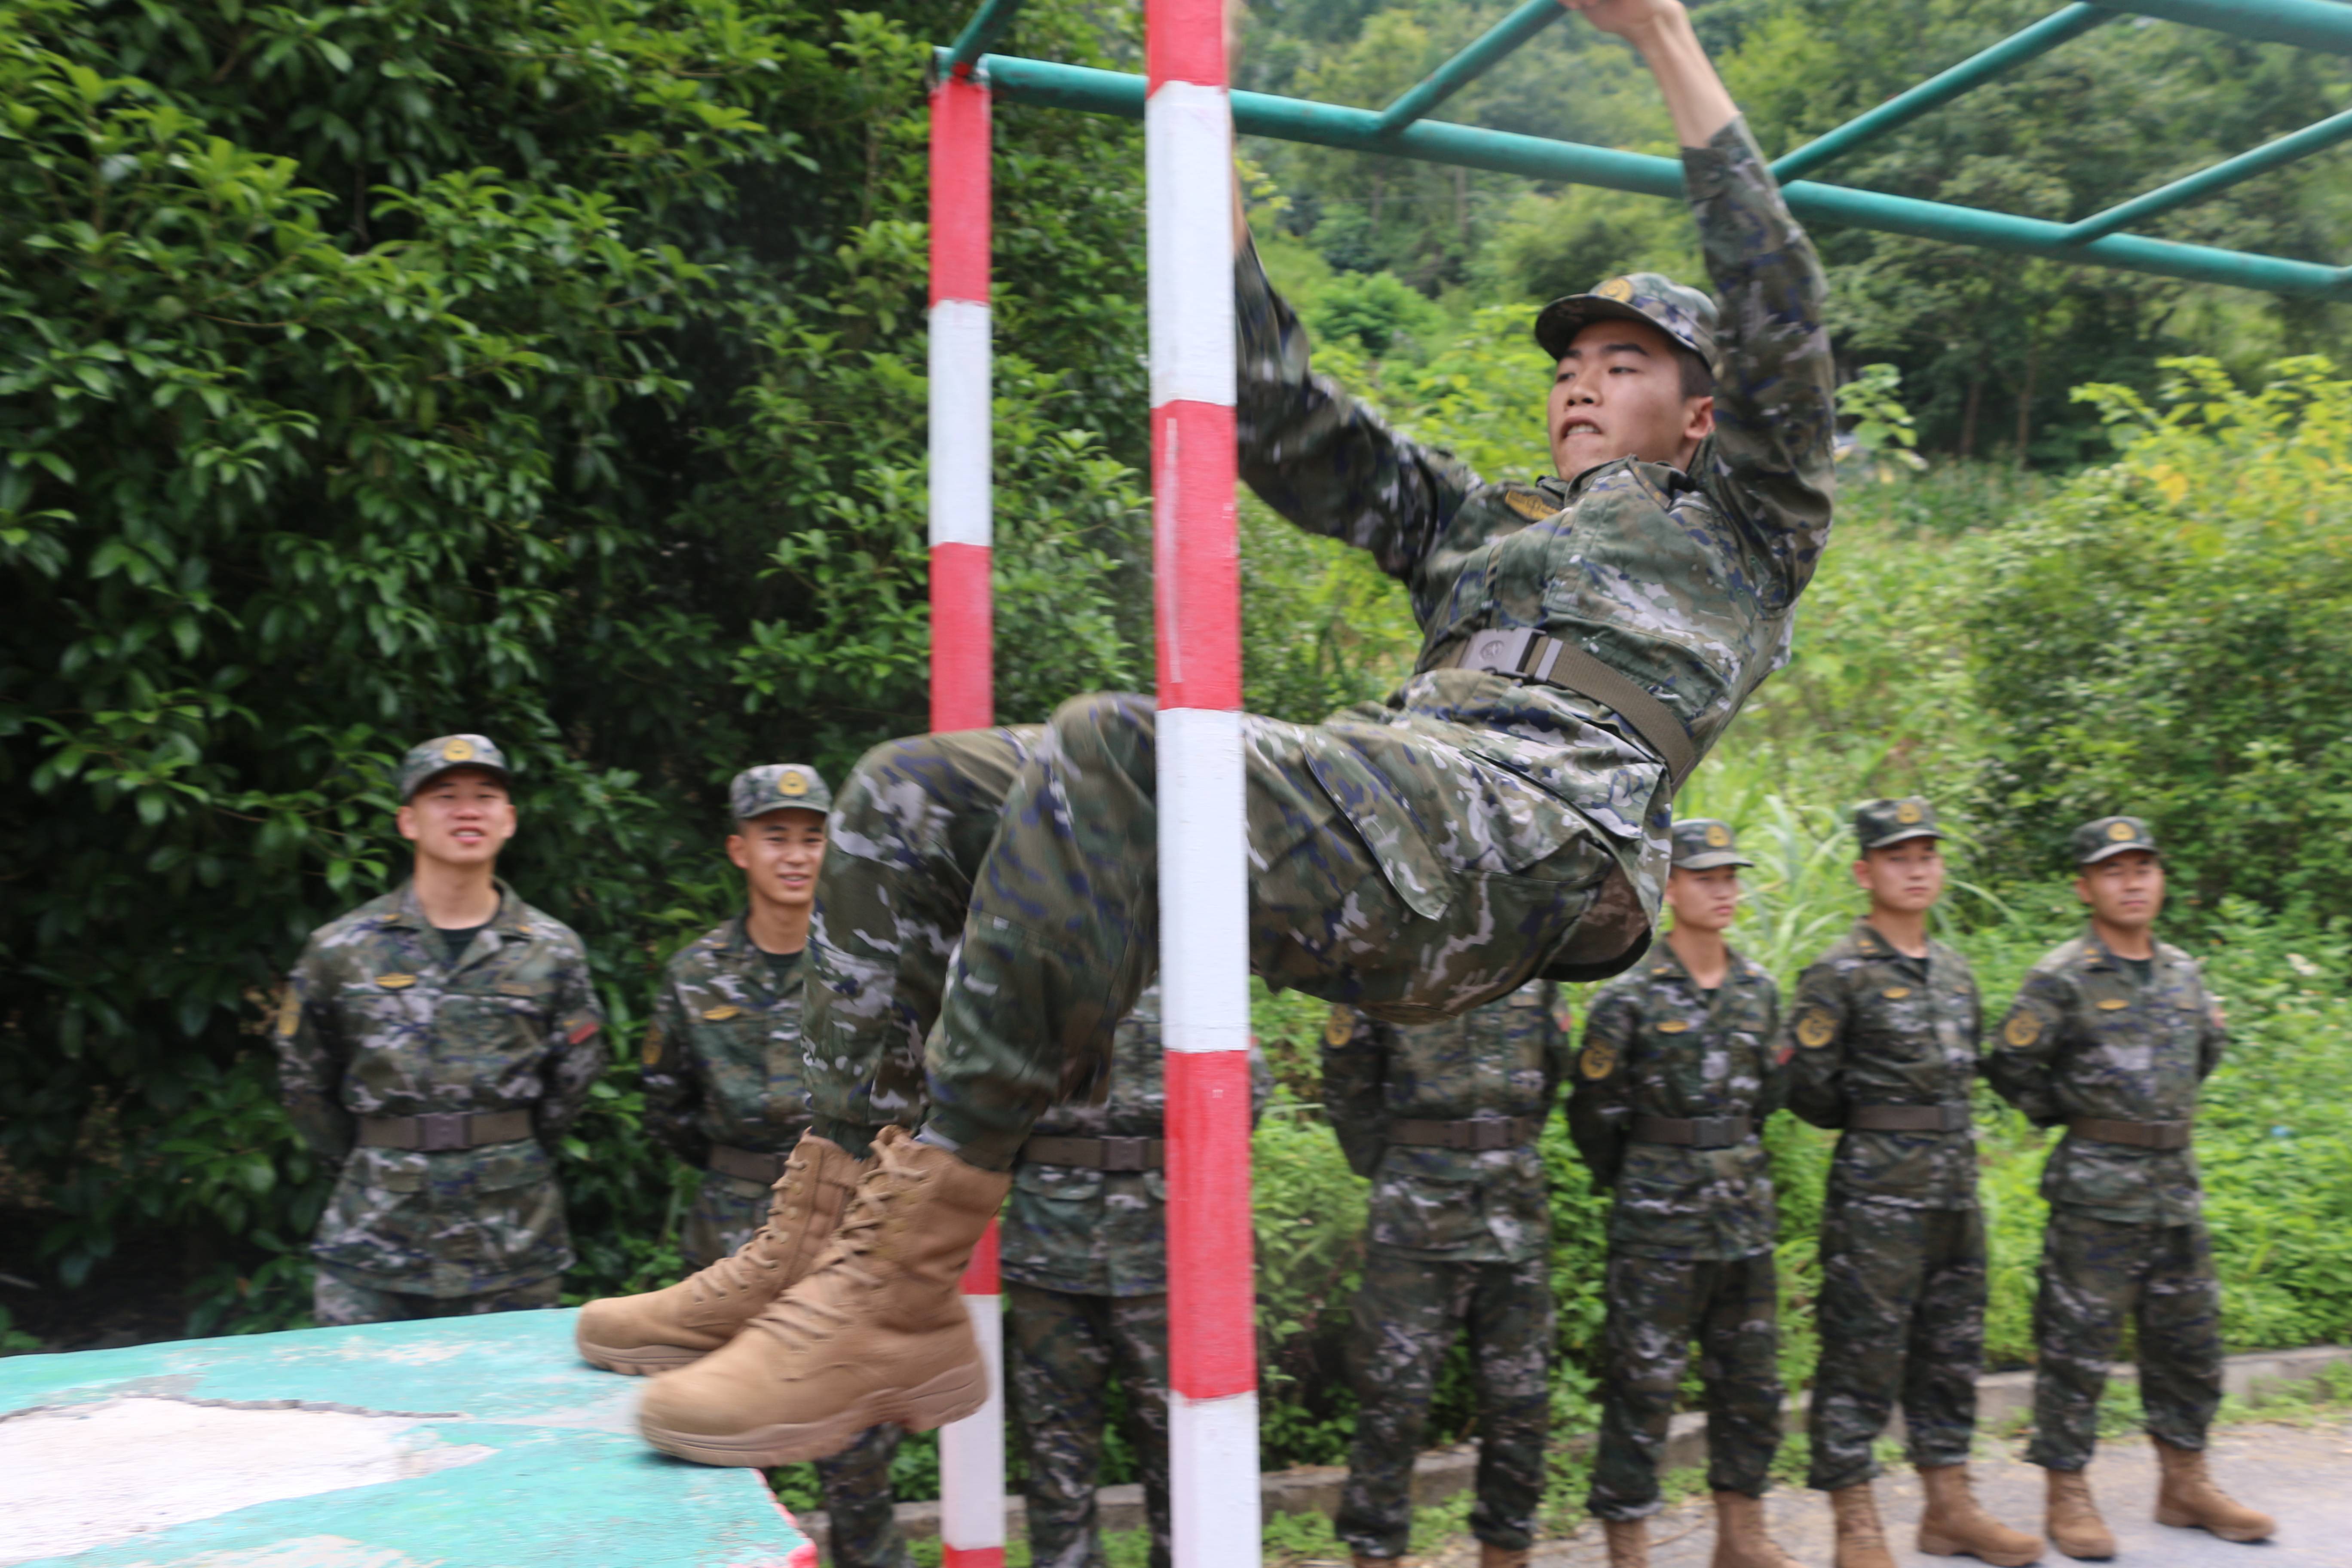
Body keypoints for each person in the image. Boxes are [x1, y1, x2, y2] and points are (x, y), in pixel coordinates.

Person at [625, 0, 1835, 1467]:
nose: (1580, 376)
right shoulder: (1480, 522)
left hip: (1533, 846)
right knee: (911, 792)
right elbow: (1274, 412)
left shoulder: (1749, 524)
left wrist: (1662, 40)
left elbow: (1778, 308)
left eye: (1626, 360)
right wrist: (1205, 125)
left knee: (1123, 746)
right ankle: (823, 1223)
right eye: (1569, 358)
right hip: (1405, 805)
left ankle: (901, 1284)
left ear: (1704, 416)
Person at [580, 764, 910, 1568]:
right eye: (776, 837)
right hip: (730, 1237)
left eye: (812, 838)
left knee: (857, 1456)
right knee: (720, 1449)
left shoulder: (877, 968)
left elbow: (912, 1097)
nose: (795, 856)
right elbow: (668, 1109)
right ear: (740, 849)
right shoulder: (696, 976)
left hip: (847, 1239)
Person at [1986, 817, 2272, 1558]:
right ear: (2086, 888)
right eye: (2115, 871)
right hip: (2095, 1194)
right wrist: (2077, 1117)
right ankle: (2067, 1492)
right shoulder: (2063, 976)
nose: (2134, 880)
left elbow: (2204, 1052)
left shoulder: (2184, 972)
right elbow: (2012, 1067)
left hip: (2176, 1188)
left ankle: (2186, 1482)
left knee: (2190, 1344)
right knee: (2077, 1346)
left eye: (2144, 866)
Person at [1782, 799, 2040, 1568]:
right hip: (1877, 1199)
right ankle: (1855, 1523)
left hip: (1956, 1194)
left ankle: (1950, 1509)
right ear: (1866, 873)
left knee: (1951, 1353)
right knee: (1860, 1354)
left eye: (1928, 854)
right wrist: (1882, 1130)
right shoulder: (1838, 973)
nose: (1918, 867)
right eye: (1900, 857)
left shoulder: (1957, 974)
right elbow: (1812, 1092)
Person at [276, 735, 605, 1326]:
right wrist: (378, 1155)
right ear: (408, 822)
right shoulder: (342, 949)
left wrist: (504, 1141)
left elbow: (572, 1081)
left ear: (509, 820)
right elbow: (305, 1084)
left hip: (512, 1237)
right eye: (444, 796)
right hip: (375, 1238)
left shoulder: (553, 951)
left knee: (506, 1410)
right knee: (357, 1411)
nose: (467, 809)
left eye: (485, 796)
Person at [1571, 818, 1796, 1568]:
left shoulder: (1761, 991)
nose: (1724, 890)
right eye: (1707, 877)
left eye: (1731, 876)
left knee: (1752, 1387)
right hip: (1658, 1227)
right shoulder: (1629, 1000)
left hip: (1743, 1223)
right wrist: (1642, 1179)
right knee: (1643, 1389)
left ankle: (1742, 1537)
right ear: (1669, 888)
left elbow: (1767, 1099)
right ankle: (1628, 1546)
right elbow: (1596, 1116)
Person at [1002, 983, 1269, 1568]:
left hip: (1168, 1256)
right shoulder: (1033, 972)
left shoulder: (1190, 965)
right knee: (1055, 1458)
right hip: (1052, 1252)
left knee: (1183, 1456)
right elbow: (984, 1094)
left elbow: (1241, 1091)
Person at [1323, 981, 1571, 1568]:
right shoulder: (1389, 958)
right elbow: (1347, 1080)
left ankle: (1506, 1554)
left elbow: (1552, 1073)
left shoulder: (1531, 963)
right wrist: (1398, 1166)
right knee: (1392, 1405)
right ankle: (1376, 1555)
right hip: (1415, 1222)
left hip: (1515, 1217)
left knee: (1522, 1408)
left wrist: (1503, 1150)